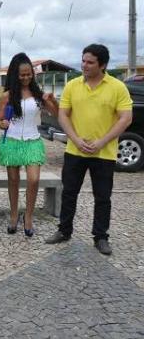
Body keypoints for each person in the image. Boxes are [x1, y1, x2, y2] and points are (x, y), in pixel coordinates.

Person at [45, 44, 132, 255]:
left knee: (102, 197)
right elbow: (63, 115)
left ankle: (101, 237)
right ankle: (64, 230)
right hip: (75, 151)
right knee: (69, 193)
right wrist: (74, 139)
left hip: (104, 153)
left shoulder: (117, 87)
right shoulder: (72, 85)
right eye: (83, 60)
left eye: (90, 62)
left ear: (102, 65)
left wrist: (102, 141)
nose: (84, 65)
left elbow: (126, 118)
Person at [0, 53, 59, 237]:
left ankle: (29, 217)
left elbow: (56, 114)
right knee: (13, 181)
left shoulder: (39, 95)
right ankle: (14, 215)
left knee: (33, 179)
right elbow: (0, 119)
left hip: (33, 141)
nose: (26, 78)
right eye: (22, 75)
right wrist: (1, 123)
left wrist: (53, 100)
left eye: (29, 74)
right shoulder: (7, 95)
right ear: (15, 75)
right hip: (13, 141)